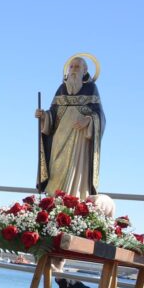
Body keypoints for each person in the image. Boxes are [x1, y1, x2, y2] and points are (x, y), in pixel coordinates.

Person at [36, 56, 105, 199]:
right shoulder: (61, 89)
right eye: (71, 67)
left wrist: (88, 120)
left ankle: (74, 202)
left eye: (77, 67)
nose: (73, 70)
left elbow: (99, 115)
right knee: (56, 169)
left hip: (79, 140)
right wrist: (43, 116)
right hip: (59, 139)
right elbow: (53, 114)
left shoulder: (91, 88)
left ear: (85, 70)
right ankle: (51, 202)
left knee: (76, 172)